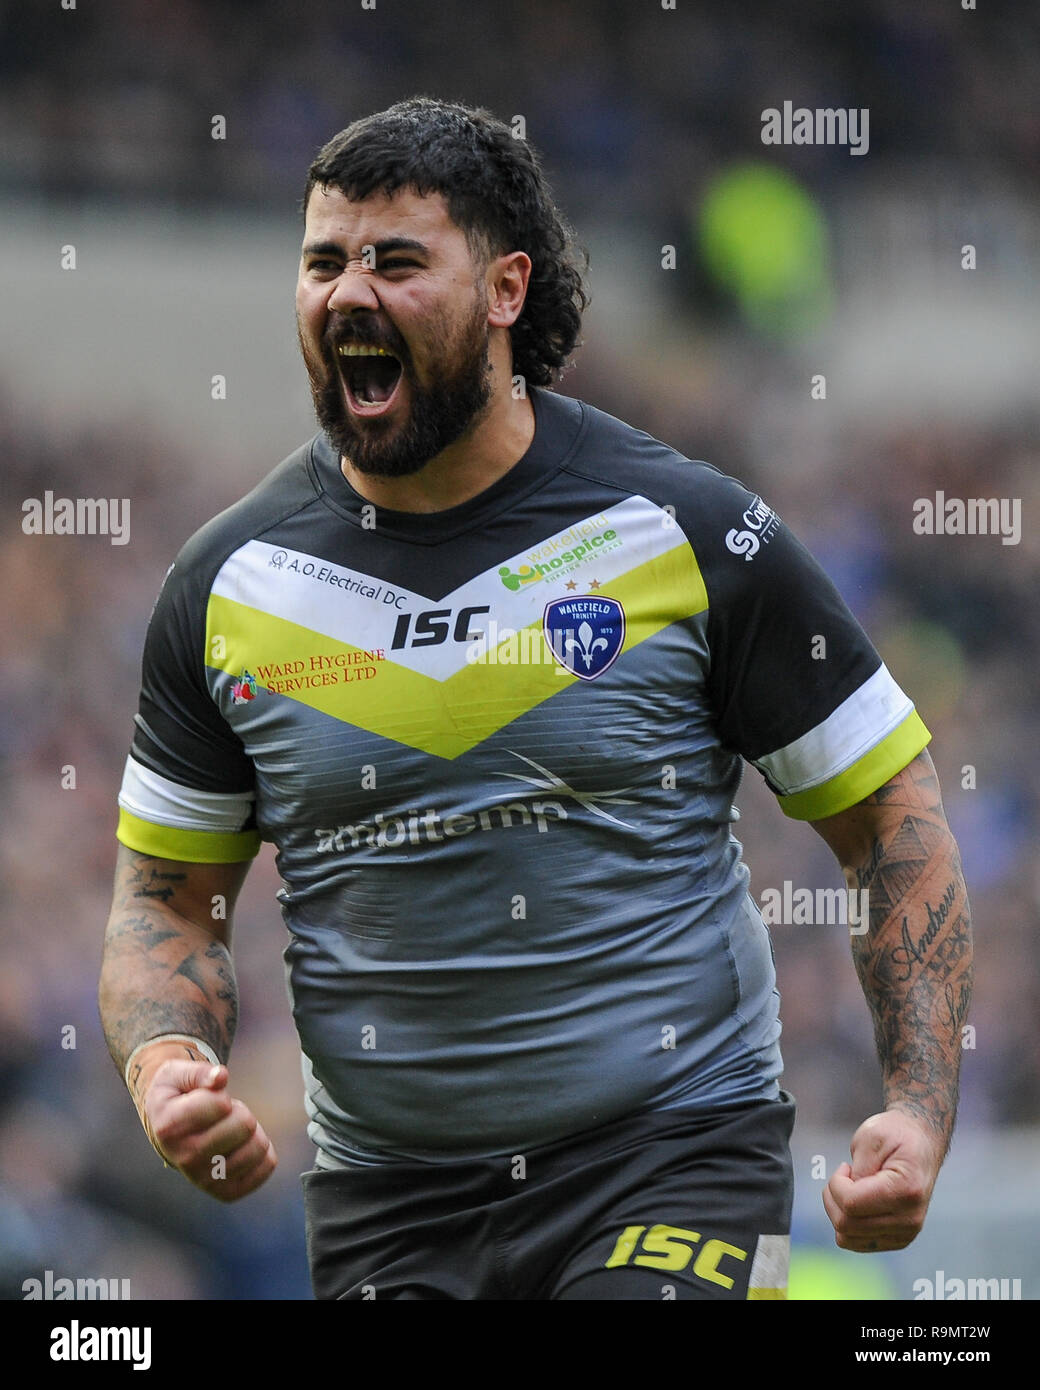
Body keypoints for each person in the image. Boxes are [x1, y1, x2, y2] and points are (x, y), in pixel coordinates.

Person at [99, 97, 973, 1301]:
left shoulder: (688, 529)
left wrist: (919, 1108)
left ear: (505, 290)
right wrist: (166, 1065)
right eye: (321, 262)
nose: (348, 294)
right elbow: (164, 899)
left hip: (676, 1159)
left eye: (397, 261)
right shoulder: (225, 583)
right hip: (388, 1201)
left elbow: (891, 817)